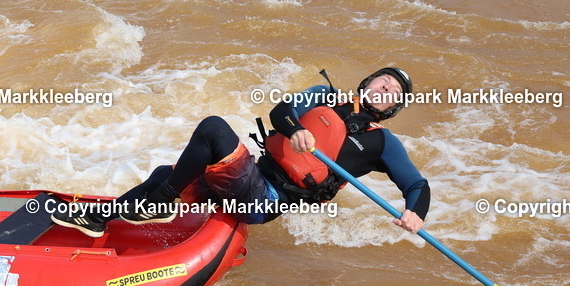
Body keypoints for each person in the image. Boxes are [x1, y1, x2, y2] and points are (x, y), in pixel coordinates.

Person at [51, 67, 429, 237]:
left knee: (214, 129)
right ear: (368, 82)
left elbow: (417, 184)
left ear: (392, 108)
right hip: (250, 177)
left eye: (394, 92)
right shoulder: (323, 96)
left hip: (265, 199)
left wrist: (416, 214)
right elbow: (281, 111)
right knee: (164, 175)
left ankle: (162, 203)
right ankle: (101, 218)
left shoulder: (383, 143)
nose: (386, 88)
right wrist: (295, 130)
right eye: (384, 80)